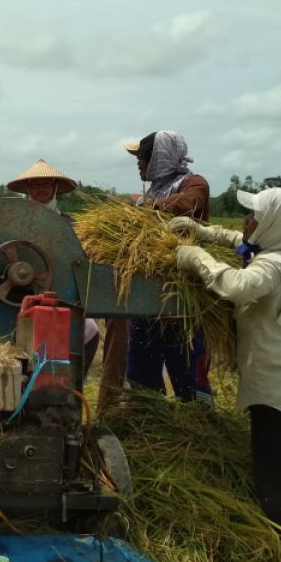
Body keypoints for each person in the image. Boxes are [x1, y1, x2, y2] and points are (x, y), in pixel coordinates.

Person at [168, 188, 281, 562]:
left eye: (255, 215)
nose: (247, 221)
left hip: (279, 395)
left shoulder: (277, 264)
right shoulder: (274, 248)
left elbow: (236, 288)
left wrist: (195, 257)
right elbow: (238, 240)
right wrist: (201, 231)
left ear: (275, 223)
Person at [100, 131, 213, 409]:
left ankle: (199, 425)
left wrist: (143, 205)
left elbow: (188, 204)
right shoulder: (153, 190)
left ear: (161, 158)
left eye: (143, 157)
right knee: (141, 373)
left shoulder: (193, 183)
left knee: (187, 372)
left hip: (183, 301)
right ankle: (147, 419)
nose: (139, 164)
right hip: (148, 298)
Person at [7, 159, 100, 373]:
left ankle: (71, 385)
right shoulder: (14, 221)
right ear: (28, 189)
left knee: (90, 330)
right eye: (36, 185)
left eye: (46, 185)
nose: (41, 190)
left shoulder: (69, 225)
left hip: (61, 293)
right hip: (19, 293)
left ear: (55, 189)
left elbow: (80, 260)